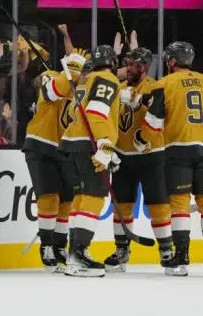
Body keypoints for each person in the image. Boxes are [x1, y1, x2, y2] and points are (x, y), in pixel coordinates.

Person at [143, 41, 203, 276]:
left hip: (178, 150)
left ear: (171, 61)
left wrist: (145, 138)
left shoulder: (164, 83)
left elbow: (152, 125)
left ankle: (182, 256)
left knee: (179, 206)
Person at [105, 47, 172, 273]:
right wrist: (110, 147)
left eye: (132, 65)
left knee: (158, 205)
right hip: (123, 156)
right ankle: (121, 250)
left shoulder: (155, 87)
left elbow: (161, 116)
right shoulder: (120, 88)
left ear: (144, 67)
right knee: (121, 206)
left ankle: (166, 250)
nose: (127, 69)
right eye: (127, 64)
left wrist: (142, 101)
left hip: (151, 155)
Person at [58, 44, 121, 278]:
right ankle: (78, 254)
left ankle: (74, 253)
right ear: (112, 63)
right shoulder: (107, 79)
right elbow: (96, 113)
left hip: (72, 142)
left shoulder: (85, 81)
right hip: (89, 143)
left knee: (81, 197)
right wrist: (105, 145)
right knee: (93, 197)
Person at [21, 51, 85, 271]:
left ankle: (59, 246)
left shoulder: (83, 88)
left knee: (67, 199)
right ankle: (47, 246)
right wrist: (70, 73)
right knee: (48, 197)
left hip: (64, 148)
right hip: (40, 144)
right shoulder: (51, 75)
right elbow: (50, 91)